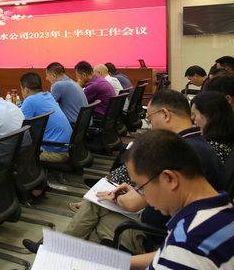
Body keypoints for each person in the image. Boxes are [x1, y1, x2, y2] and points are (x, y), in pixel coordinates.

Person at [61, 89, 225, 254]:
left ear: (165, 114)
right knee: (95, 209)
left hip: (152, 235)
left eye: (150, 119)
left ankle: (61, 250)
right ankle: (63, 248)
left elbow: (139, 204)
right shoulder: (196, 144)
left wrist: (133, 198)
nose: (151, 126)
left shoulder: (178, 152)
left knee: (94, 217)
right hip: (158, 225)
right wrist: (138, 194)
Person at [127, 130, 234, 270]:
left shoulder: (188, 242)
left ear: (169, 178)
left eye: (142, 187)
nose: (144, 197)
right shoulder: (222, 213)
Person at [19, 72, 72, 162]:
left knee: (16, 155)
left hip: (56, 152)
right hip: (69, 148)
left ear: (26, 90)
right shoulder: (48, 95)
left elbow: (20, 127)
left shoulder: (30, 100)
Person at [191, 91, 234, 163]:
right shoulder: (227, 143)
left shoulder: (204, 149)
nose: (192, 118)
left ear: (207, 115)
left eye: (195, 115)